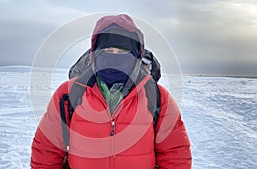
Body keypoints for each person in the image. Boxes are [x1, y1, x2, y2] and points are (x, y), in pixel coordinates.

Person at [31, 14, 192, 169]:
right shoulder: (68, 94)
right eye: (108, 50)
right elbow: (46, 151)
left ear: (136, 56)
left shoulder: (157, 97)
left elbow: (175, 155)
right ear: (95, 53)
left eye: (123, 52)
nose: (115, 57)